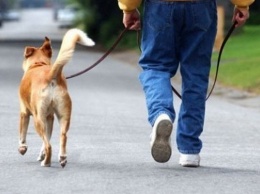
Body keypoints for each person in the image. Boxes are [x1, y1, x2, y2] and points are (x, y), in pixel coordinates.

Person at [118, 0, 254, 167]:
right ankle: (190, 151)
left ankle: (161, 114)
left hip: (160, 7)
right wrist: (242, 4)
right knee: (196, 74)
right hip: (201, 7)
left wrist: (129, 7)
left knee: (156, 66)